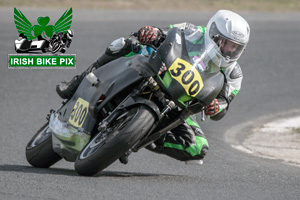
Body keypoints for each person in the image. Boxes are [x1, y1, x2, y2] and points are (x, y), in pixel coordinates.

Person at [56, 10, 250, 164]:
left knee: (198, 147)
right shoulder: (193, 31)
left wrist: (216, 107)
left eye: (236, 47)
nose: (230, 50)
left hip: (179, 105)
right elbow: (166, 33)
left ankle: (135, 138)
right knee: (124, 43)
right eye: (227, 44)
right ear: (214, 34)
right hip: (157, 69)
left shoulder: (234, 74)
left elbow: (224, 103)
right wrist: (153, 33)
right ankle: (78, 81)